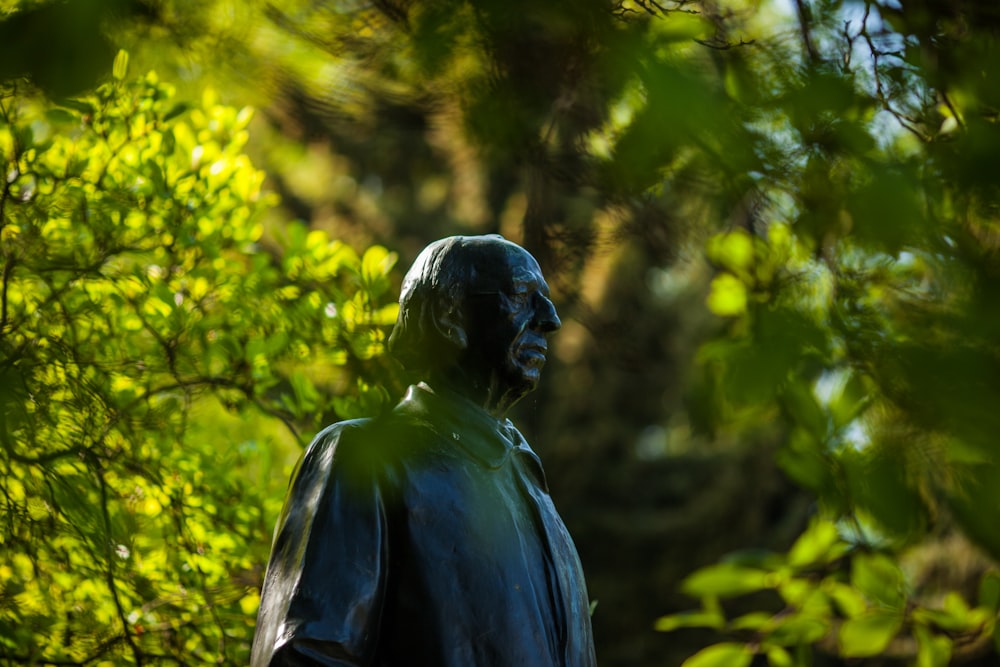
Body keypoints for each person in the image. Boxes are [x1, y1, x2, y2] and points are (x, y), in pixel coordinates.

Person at [250, 235, 596, 666]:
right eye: (522, 296)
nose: (550, 319)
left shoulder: (528, 484)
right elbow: (307, 654)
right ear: (450, 315)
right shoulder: (362, 458)